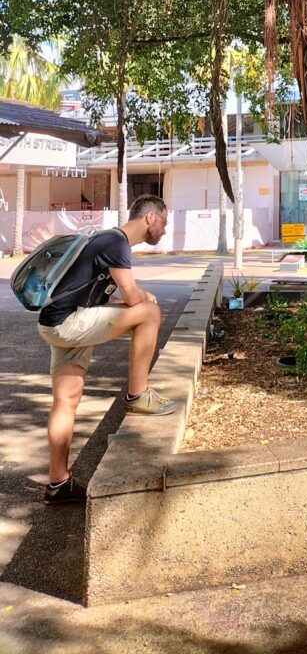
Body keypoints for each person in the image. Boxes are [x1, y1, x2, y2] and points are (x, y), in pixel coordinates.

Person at [37, 194, 180, 506]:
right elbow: (131, 297)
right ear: (151, 218)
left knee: (66, 399)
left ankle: (58, 483)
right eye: (164, 222)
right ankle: (138, 395)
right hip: (69, 323)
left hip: (55, 323)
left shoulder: (104, 240)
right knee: (150, 313)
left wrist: (137, 297)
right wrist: (146, 296)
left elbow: (104, 297)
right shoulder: (116, 243)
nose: (165, 230)